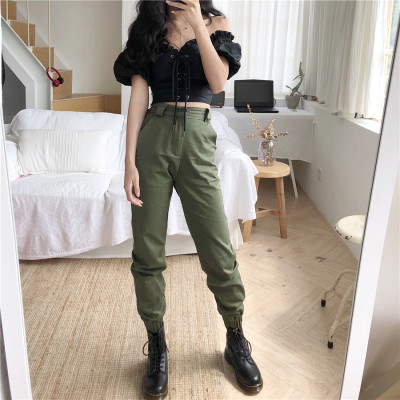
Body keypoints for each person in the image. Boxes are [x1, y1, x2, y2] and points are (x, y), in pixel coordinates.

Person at [113, 1, 263, 398]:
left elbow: (218, 82)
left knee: (218, 249)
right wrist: (129, 162)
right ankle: (157, 345)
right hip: (154, 140)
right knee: (147, 251)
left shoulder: (216, 24)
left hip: (198, 138)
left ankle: (235, 338)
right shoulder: (147, 29)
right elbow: (138, 99)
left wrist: (198, 23)